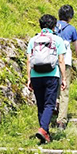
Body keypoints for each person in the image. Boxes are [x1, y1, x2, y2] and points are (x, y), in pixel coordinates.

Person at [26, 14, 67, 144]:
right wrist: (64, 78)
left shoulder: (33, 40)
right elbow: (61, 60)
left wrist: (29, 78)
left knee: (40, 105)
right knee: (50, 104)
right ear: (54, 26)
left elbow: (28, 61)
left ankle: (45, 135)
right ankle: (43, 129)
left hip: (36, 75)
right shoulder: (57, 40)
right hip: (51, 75)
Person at [54, 5, 77, 129]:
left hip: (51, 62)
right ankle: (61, 121)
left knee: (53, 88)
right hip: (65, 62)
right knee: (64, 90)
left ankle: (54, 107)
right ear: (70, 17)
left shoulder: (52, 26)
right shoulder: (71, 29)